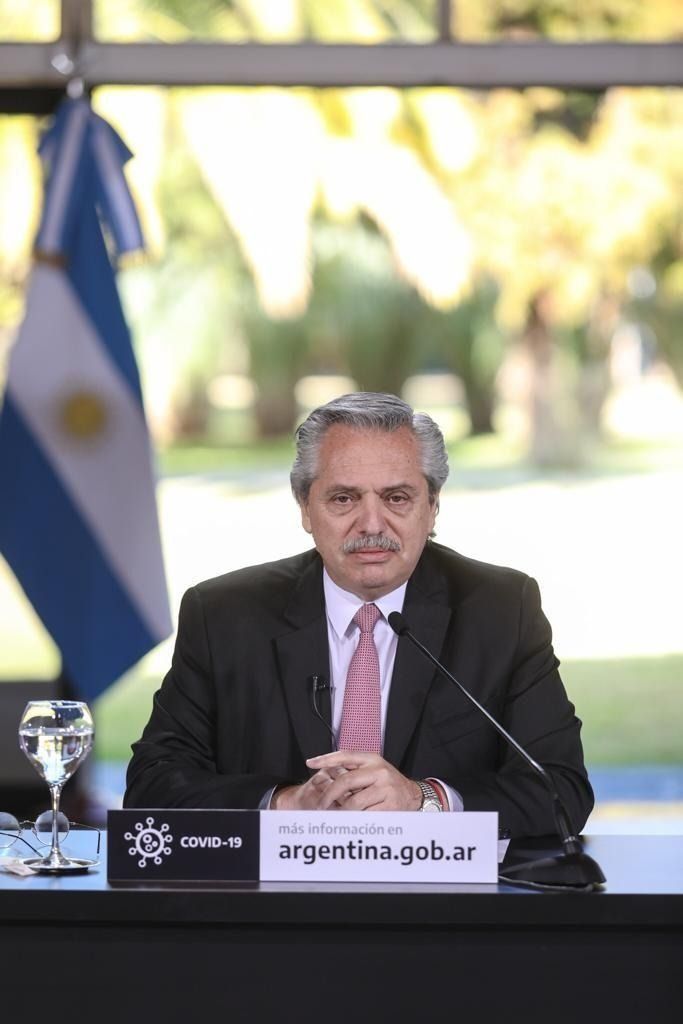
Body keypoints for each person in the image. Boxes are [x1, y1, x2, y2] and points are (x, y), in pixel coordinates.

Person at [125, 392, 594, 837]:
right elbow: (153, 785)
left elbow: (561, 790)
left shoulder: (500, 610)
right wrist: (286, 805)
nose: (371, 525)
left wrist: (423, 800)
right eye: (344, 499)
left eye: (397, 498)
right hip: (278, 892)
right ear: (305, 508)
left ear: (433, 507)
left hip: (441, 891)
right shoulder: (224, 616)